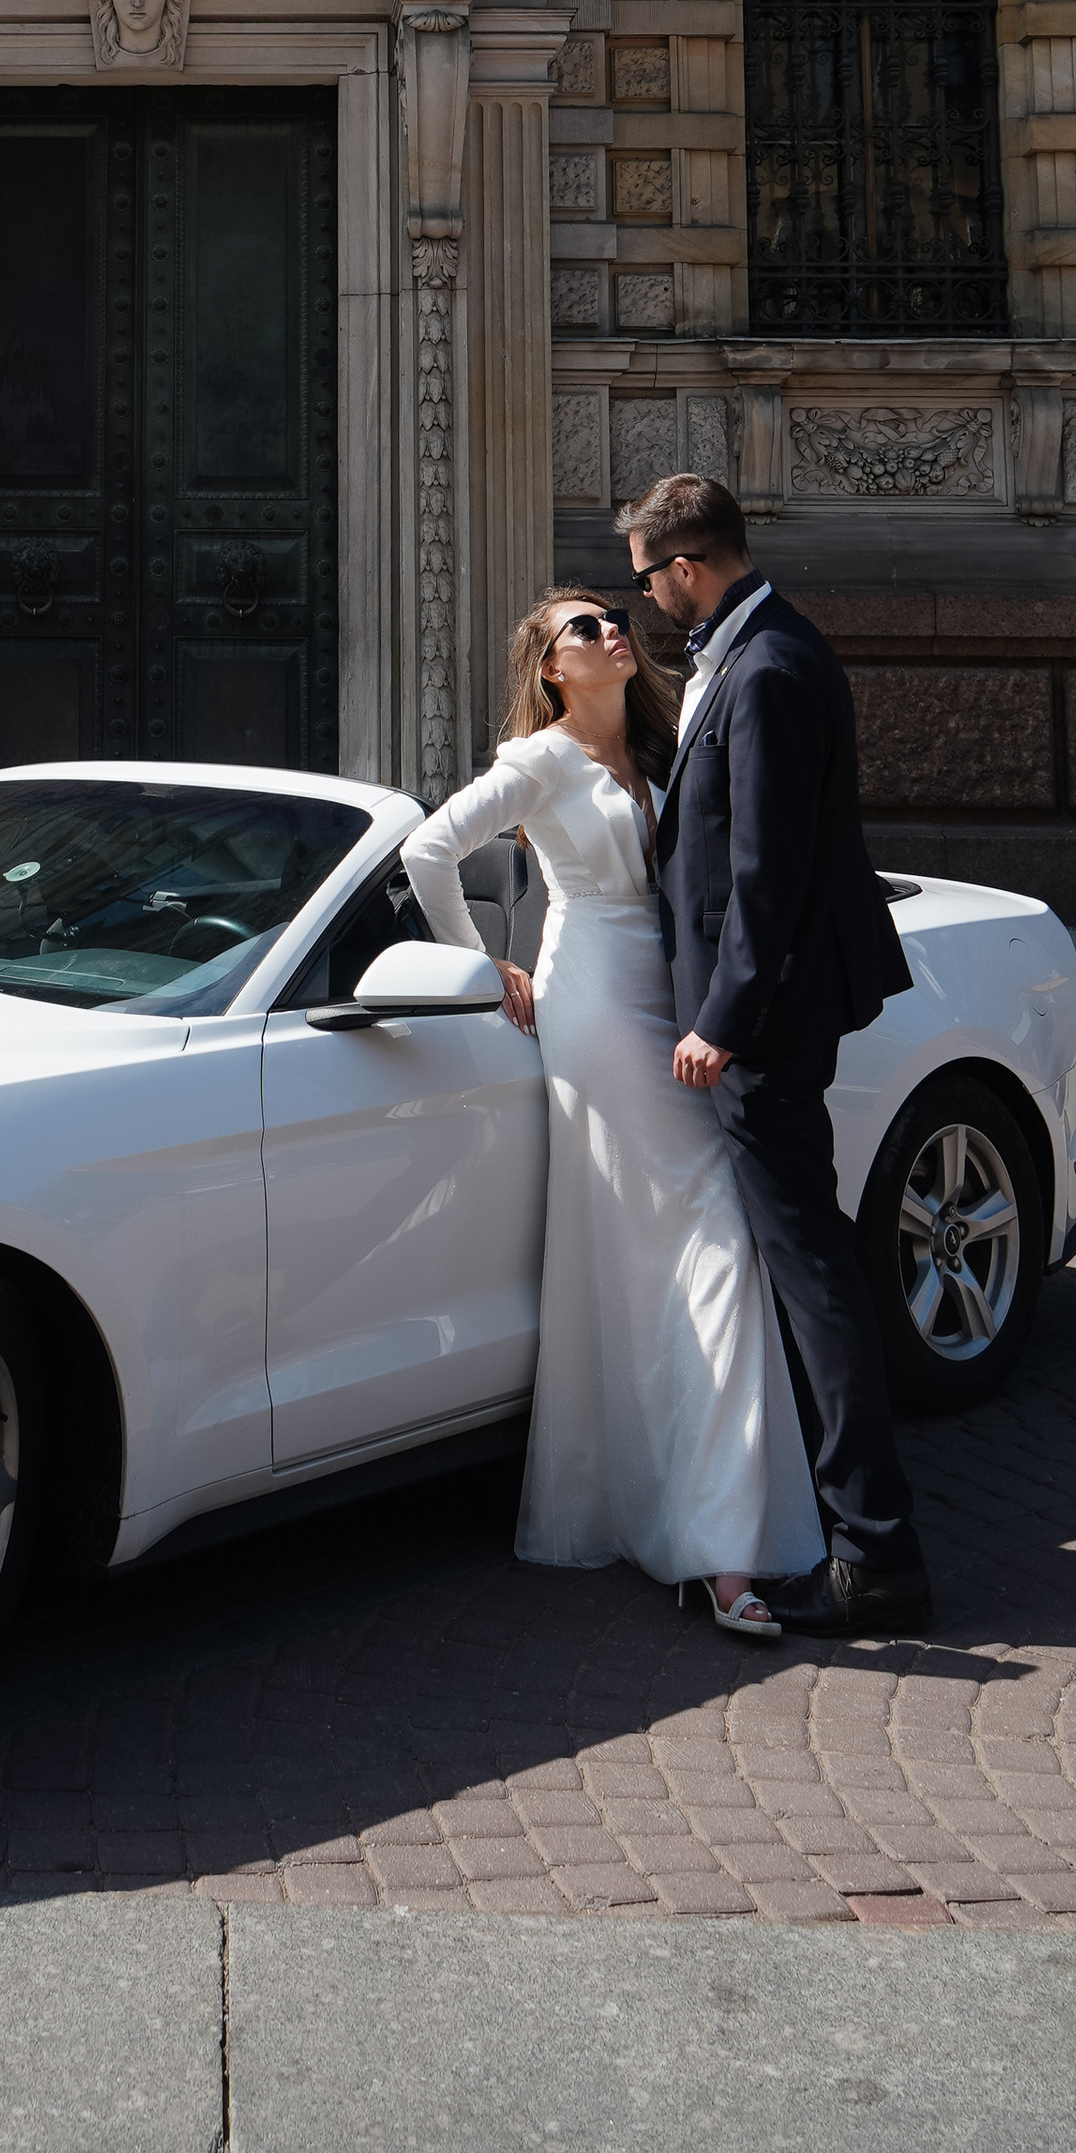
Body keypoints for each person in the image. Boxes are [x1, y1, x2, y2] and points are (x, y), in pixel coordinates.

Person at [403, 588, 823, 1634]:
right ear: (551, 667)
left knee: (682, 1255)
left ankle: (699, 1516)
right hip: (591, 1001)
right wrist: (483, 964)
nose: (610, 633)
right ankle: (722, 1553)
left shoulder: (660, 748)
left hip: (672, 993)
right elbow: (426, 851)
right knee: (713, 1240)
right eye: (583, 629)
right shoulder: (538, 760)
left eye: (614, 620)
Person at [620, 468, 934, 1638]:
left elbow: (766, 870)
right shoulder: (756, 651)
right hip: (763, 1012)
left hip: (762, 1024)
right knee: (810, 1261)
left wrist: (725, 1019)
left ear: (685, 567)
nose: (645, 600)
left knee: (813, 1273)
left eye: (647, 579)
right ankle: (840, 1512)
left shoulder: (770, 668)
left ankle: (874, 1552)